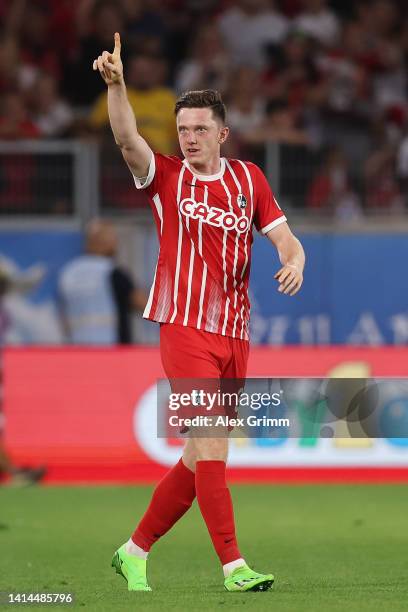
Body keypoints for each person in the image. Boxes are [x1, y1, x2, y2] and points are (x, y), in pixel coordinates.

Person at [93, 33, 305, 593]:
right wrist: (117, 86)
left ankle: (133, 551)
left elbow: (285, 238)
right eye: (183, 130)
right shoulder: (164, 177)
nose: (189, 139)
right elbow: (124, 135)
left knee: (197, 458)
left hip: (235, 333)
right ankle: (235, 567)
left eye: (200, 130)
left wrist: (295, 260)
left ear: (222, 134)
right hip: (185, 328)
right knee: (212, 444)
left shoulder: (248, 180)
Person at [59, 220, 146, 345]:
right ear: (105, 242)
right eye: (112, 238)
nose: (115, 243)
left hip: (76, 349)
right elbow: (144, 305)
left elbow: (61, 313)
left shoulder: (68, 272)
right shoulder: (113, 273)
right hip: (111, 351)